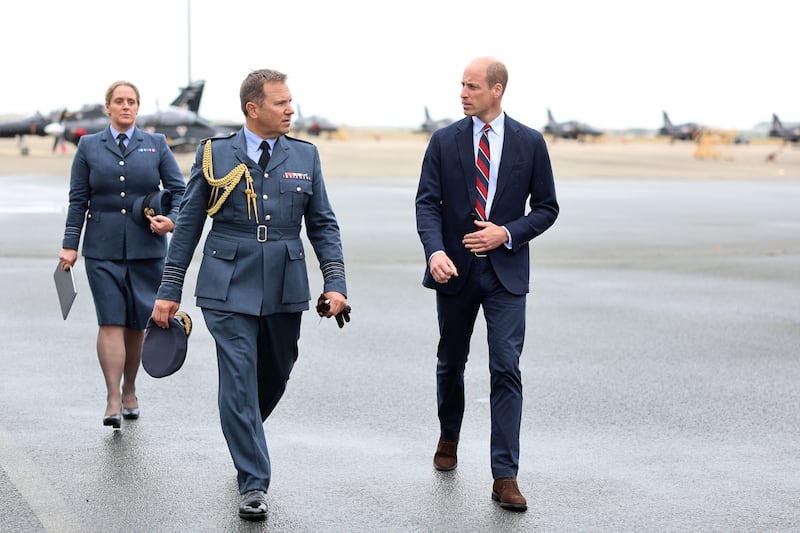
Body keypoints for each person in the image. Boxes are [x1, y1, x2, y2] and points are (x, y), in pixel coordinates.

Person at [150, 69, 349, 521]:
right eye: (280, 103)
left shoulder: (305, 155)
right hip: (226, 282)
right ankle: (253, 482)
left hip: (284, 283)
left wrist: (334, 283)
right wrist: (169, 289)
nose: (290, 110)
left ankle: (243, 432)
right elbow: (188, 226)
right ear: (252, 109)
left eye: (290, 101)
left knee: (276, 373)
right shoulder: (214, 154)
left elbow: (323, 225)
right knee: (238, 376)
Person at [415, 57, 559, 512]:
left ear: (496, 90)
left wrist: (507, 232)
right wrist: (435, 252)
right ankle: (449, 435)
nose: (462, 93)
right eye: (461, 85)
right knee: (450, 361)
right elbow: (427, 204)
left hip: (506, 274)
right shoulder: (444, 140)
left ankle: (505, 476)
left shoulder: (530, 143)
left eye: (472, 86)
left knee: (505, 369)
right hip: (454, 270)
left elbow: (547, 208)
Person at [58, 80, 186, 429]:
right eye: (119, 101)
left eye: (131, 101)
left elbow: (179, 189)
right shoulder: (88, 146)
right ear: (108, 108)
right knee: (111, 321)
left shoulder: (156, 144)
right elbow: (77, 199)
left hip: (147, 250)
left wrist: (171, 221)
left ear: (138, 107)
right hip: (101, 250)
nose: (125, 106)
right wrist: (70, 244)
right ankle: (113, 398)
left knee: (136, 325)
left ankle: (131, 389)